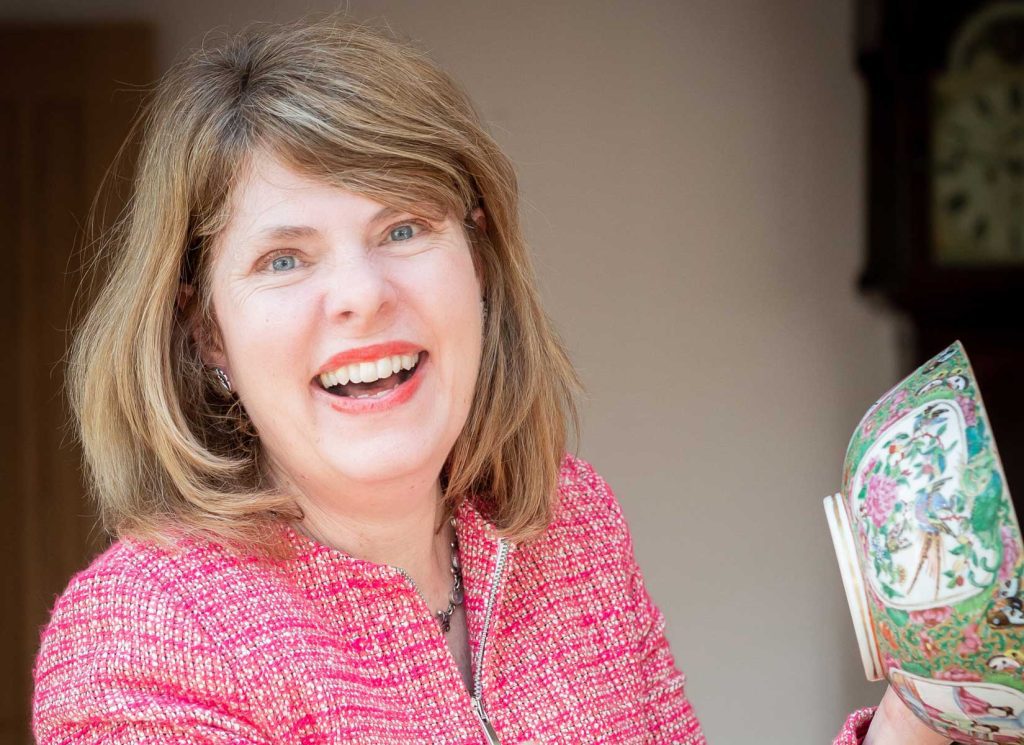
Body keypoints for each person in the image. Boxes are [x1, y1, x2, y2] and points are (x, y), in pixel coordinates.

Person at [30, 17, 946, 745]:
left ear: (478, 262)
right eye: (284, 259)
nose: (361, 295)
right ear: (207, 334)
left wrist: (919, 719)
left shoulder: (571, 527)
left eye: (403, 229)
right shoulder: (144, 635)